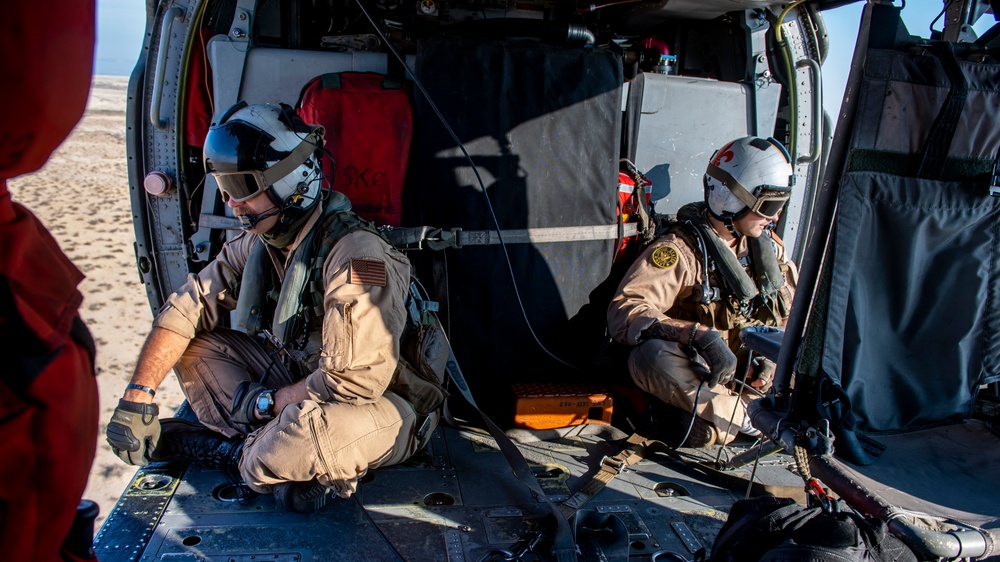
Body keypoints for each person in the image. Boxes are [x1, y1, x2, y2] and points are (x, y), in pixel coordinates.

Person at [105, 102, 441, 513]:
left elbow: (355, 382)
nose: (232, 204)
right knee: (192, 347)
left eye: (243, 188)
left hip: (386, 404)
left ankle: (243, 454)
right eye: (225, 188)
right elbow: (187, 306)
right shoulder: (263, 242)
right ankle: (279, 461)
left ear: (294, 181)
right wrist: (137, 395)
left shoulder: (359, 257)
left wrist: (268, 403)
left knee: (303, 438)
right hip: (303, 380)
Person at [607, 136, 798, 447]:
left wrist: (770, 362)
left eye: (781, 206)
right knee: (651, 357)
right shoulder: (679, 251)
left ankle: (725, 422)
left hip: (748, 379)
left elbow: (789, 316)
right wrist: (698, 335)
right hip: (702, 372)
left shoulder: (771, 253)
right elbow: (625, 310)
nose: (775, 217)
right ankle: (748, 421)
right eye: (770, 206)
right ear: (732, 198)